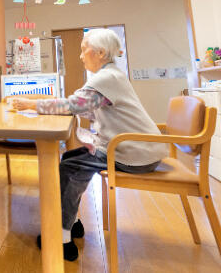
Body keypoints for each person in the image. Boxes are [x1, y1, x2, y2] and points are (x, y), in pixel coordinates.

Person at [13, 28, 167, 261]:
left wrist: (31, 105)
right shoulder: (110, 75)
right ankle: (72, 223)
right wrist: (37, 101)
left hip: (133, 153)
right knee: (71, 159)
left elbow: (72, 105)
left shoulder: (106, 78)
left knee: (72, 167)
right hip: (133, 148)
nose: (81, 55)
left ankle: (62, 238)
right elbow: (83, 105)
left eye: (85, 50)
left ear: (101, 52)